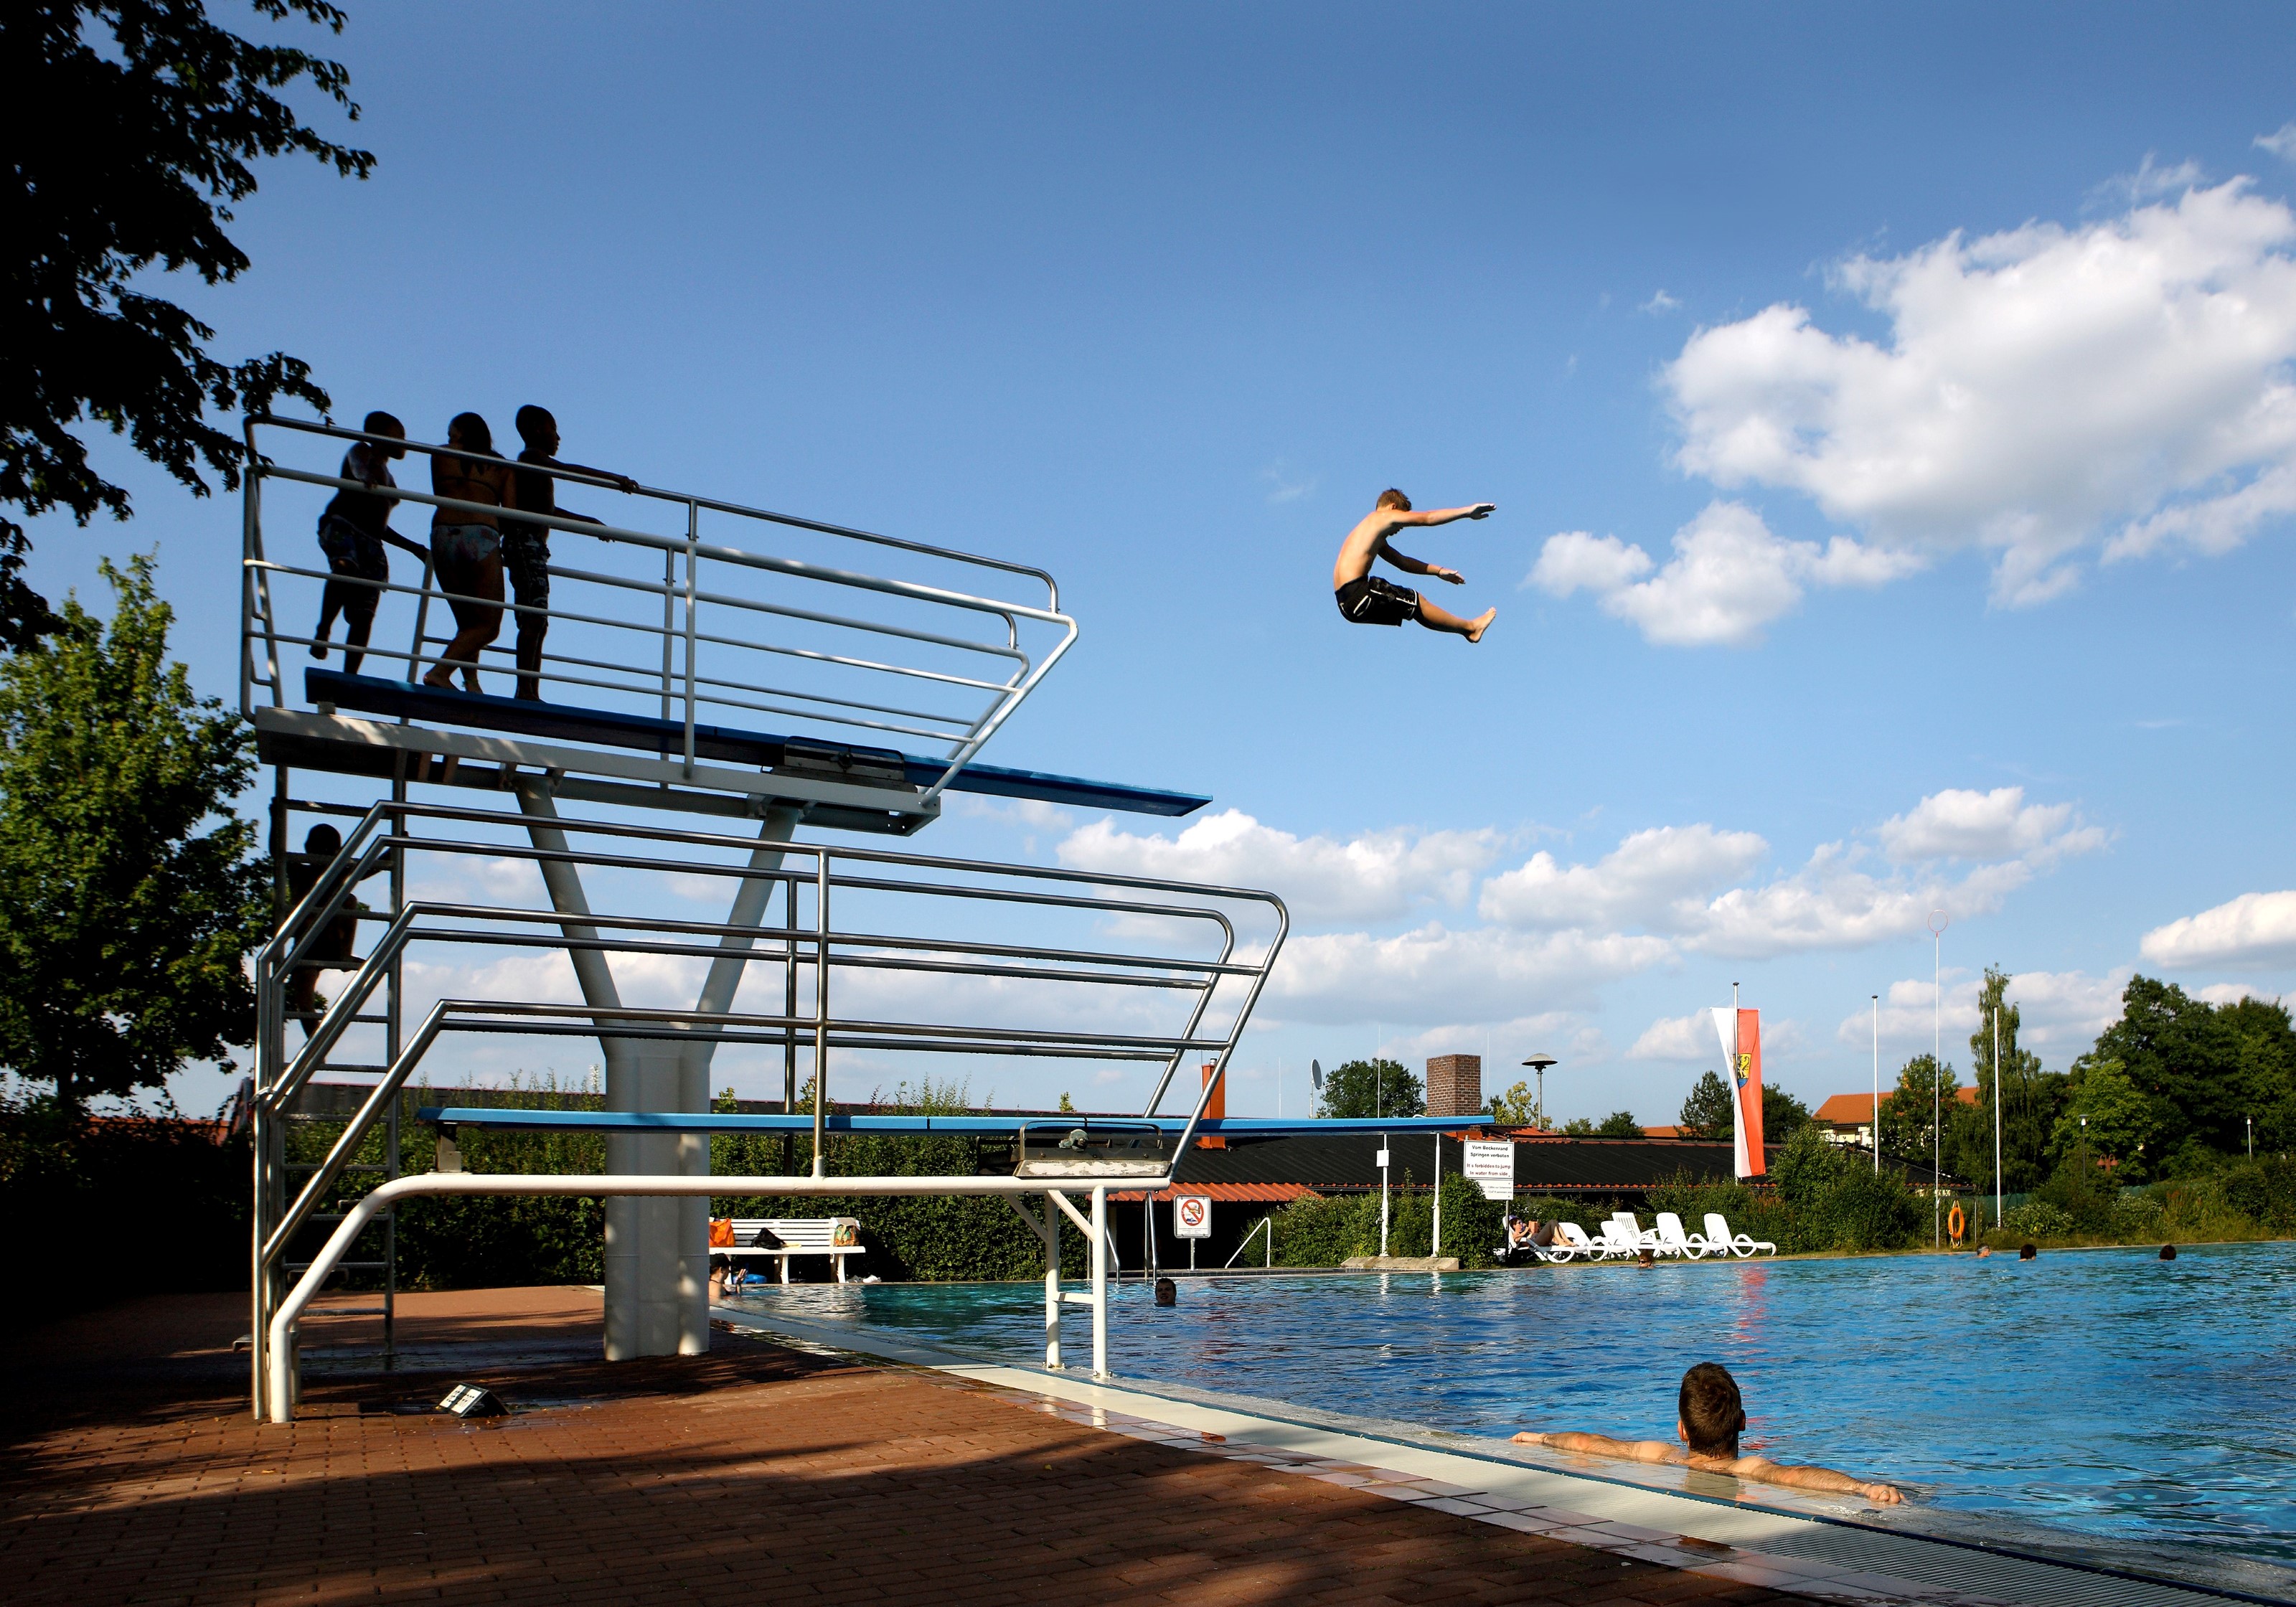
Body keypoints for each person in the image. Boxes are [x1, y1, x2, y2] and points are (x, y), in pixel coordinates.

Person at [1514, 1361, 1902, 1505]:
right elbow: (1794, 1476)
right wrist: (1862, 1488)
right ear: (1743, 1422)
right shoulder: (1743, 1470)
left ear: (1681, 1430)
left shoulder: (1660, 1454)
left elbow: (1588, 1443)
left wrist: (1541, 1439)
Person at [504, 405, 639, 700]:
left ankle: (530, 689)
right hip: (525, 544)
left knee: (539, 620)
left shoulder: (534, 464)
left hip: (535, 547)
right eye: (554, 429)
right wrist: (615, 479)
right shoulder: (531, 459)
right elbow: (567, 471)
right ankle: (524, 689)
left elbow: (548, 510)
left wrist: (588, 522)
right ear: (539, 429)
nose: (559, 437)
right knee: (533, 618)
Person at [310, 413, 427, 674]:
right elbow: (356, 463)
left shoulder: (389, 478)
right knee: (345, 567)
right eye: (400, 436)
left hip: (372, 540)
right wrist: (365, 476)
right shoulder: (363, 451)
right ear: (381, 435)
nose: (404, 442)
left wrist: (413, 548)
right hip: (344, 525)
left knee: (365, 613)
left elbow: (380, 525)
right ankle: (323, 629)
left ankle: (350, 674)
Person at [424, 413, 518, 692]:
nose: (449, 438)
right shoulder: (501, 466)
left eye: (452, 433)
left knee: (469, 622)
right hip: (481, 535)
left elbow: (440, 491)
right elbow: (510, 515)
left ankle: (471, 680)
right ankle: (439, 672)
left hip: (443, 535)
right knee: (488, 626)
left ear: (462, 432)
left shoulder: (439, 455)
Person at [1331, 489, 1498, 641]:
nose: (1400, 528)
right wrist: (1467, 512)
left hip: (1346, 603)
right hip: (1359, 594)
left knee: (1415, 607)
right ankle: (1470, 628)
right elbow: (1428, 517)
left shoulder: (1369, 533)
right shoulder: (1381, 517)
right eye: (1401, 520)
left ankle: (1468, 630)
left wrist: (1438, 571)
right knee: (1417, 602)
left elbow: (1402, 562)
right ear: (1393, 507)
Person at [280, 822, 391, 1035]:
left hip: (332, 943)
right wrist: (276, 817)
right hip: (307, 945)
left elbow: (370, 867)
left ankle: (344, 955)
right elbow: (277, 851)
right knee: (302, 990)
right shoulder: (300, 871)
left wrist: (395, 844)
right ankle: (315, 1044)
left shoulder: (339, 873)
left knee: (348, 901)